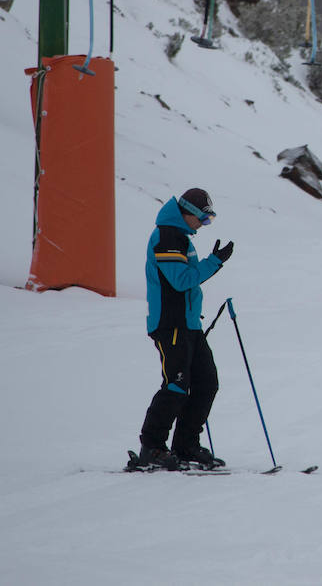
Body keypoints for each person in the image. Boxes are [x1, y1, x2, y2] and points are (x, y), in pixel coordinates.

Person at [129, 187, 235, 471]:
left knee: (206, 382)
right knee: (176, 385)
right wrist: (214, 263)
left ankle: (185, 444)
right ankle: (151, 447)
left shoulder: (180, 237)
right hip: (170, 324)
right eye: (203, 218)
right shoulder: (166, 237)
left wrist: (211, 263)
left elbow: (184, 276)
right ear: (186, 212)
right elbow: (180, 280)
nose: (203, 224)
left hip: (189, 324)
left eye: (208, 220)